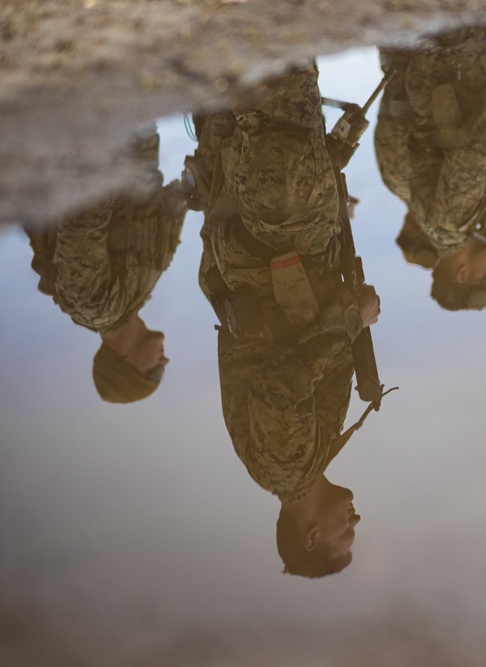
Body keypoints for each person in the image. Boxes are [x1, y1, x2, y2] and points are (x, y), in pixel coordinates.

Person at [190, 63, 380, 577]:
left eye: (347, 533)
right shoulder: (303, 462)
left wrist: (352, 321)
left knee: (277, 65)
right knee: (266, 80)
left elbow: (280, 386)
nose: (355, 519)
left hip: (279, 234)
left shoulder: (286, 467)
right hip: (282, 238)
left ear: (312, 536)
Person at [374, 25, 486, 311]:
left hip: (454, 67)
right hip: (442, 72)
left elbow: (470, 156)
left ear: (463, 274)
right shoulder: (441, 227)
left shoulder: (452, 224)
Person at [25, 130, 184, 404]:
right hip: (129, 138)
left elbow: (84, 214)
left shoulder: (94, 306)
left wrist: (109, 134)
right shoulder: (130, 300)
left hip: (98, 137)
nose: (164, 362)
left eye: (155, 373)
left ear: (127, 363)